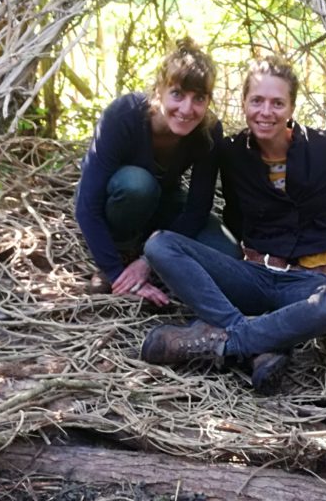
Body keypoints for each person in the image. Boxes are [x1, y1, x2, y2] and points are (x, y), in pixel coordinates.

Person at [141, 55, 326, 392]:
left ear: (291, 107)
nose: (266, 112)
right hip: (252, 274)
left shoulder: (322, 147)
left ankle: (226, 340)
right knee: (160, 243)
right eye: (257, 101)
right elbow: (197, 211)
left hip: (306, 283)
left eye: (277, 103)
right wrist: (144, 263)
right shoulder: (228, 150)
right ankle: (256, 343)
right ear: (244, 103)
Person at [75, 38, 238, 306]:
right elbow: (86, 205)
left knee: (227, 253)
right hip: (121, 201)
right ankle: (120, 252)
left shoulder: (208, 131)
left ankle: (149, 250)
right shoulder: (123, 115)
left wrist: (149, 260)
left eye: (199, 98)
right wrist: (116, 272)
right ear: (158, 91)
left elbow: (197, 208)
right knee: (138, 184)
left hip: (163, 204)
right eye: (177, 94)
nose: (187, 109)